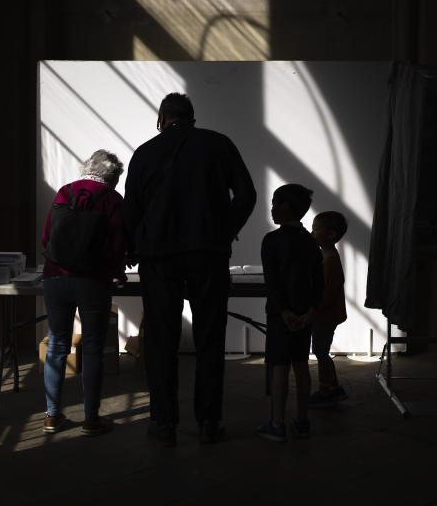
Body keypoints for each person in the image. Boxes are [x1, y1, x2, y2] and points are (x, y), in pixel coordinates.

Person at [123, 93, 256, 446]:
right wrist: (223, 231)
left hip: (159, 257)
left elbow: (131, 209)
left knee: (160, 340)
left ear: (162, 117)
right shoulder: (218, 144)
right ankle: (209, 422)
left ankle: (164, 423)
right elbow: (246, 195)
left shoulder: (145, 153)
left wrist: (138, 244)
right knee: (210, 339)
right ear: (192, 117)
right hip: (208, 255)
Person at [40, 149, 127, 436]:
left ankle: (52, 416)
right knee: (92, 349)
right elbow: (117, 243)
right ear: (113, 176)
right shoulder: (112, 199)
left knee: (57, 346)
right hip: (92, 281)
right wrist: (116, 270)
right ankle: (91, 419)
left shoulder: (65, 191)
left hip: (55, 278)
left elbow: (46, 237)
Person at [257, 183, 323, 442]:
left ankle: (277, 423)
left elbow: (272, 282)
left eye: (275, 203)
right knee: (301, 366)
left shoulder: (272, 241)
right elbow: (319, 282)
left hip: (280, 316)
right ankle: (303, 421)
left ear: (285, 207)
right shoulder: (310, 242)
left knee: (280, 368)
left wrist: (283, 311)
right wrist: (311, 311)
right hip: (304, 315)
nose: (272, 209)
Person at [308, 211, 349, 408]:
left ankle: (326, 389)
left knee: (321, 352)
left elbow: (326, 294)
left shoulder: (329, 261)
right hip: (328, 314)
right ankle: (334, 387)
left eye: (316, 229)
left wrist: (312, 311)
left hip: (324, 316)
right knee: (322, 351)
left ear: (331, 234)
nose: (311, 232)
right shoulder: (329, 256)